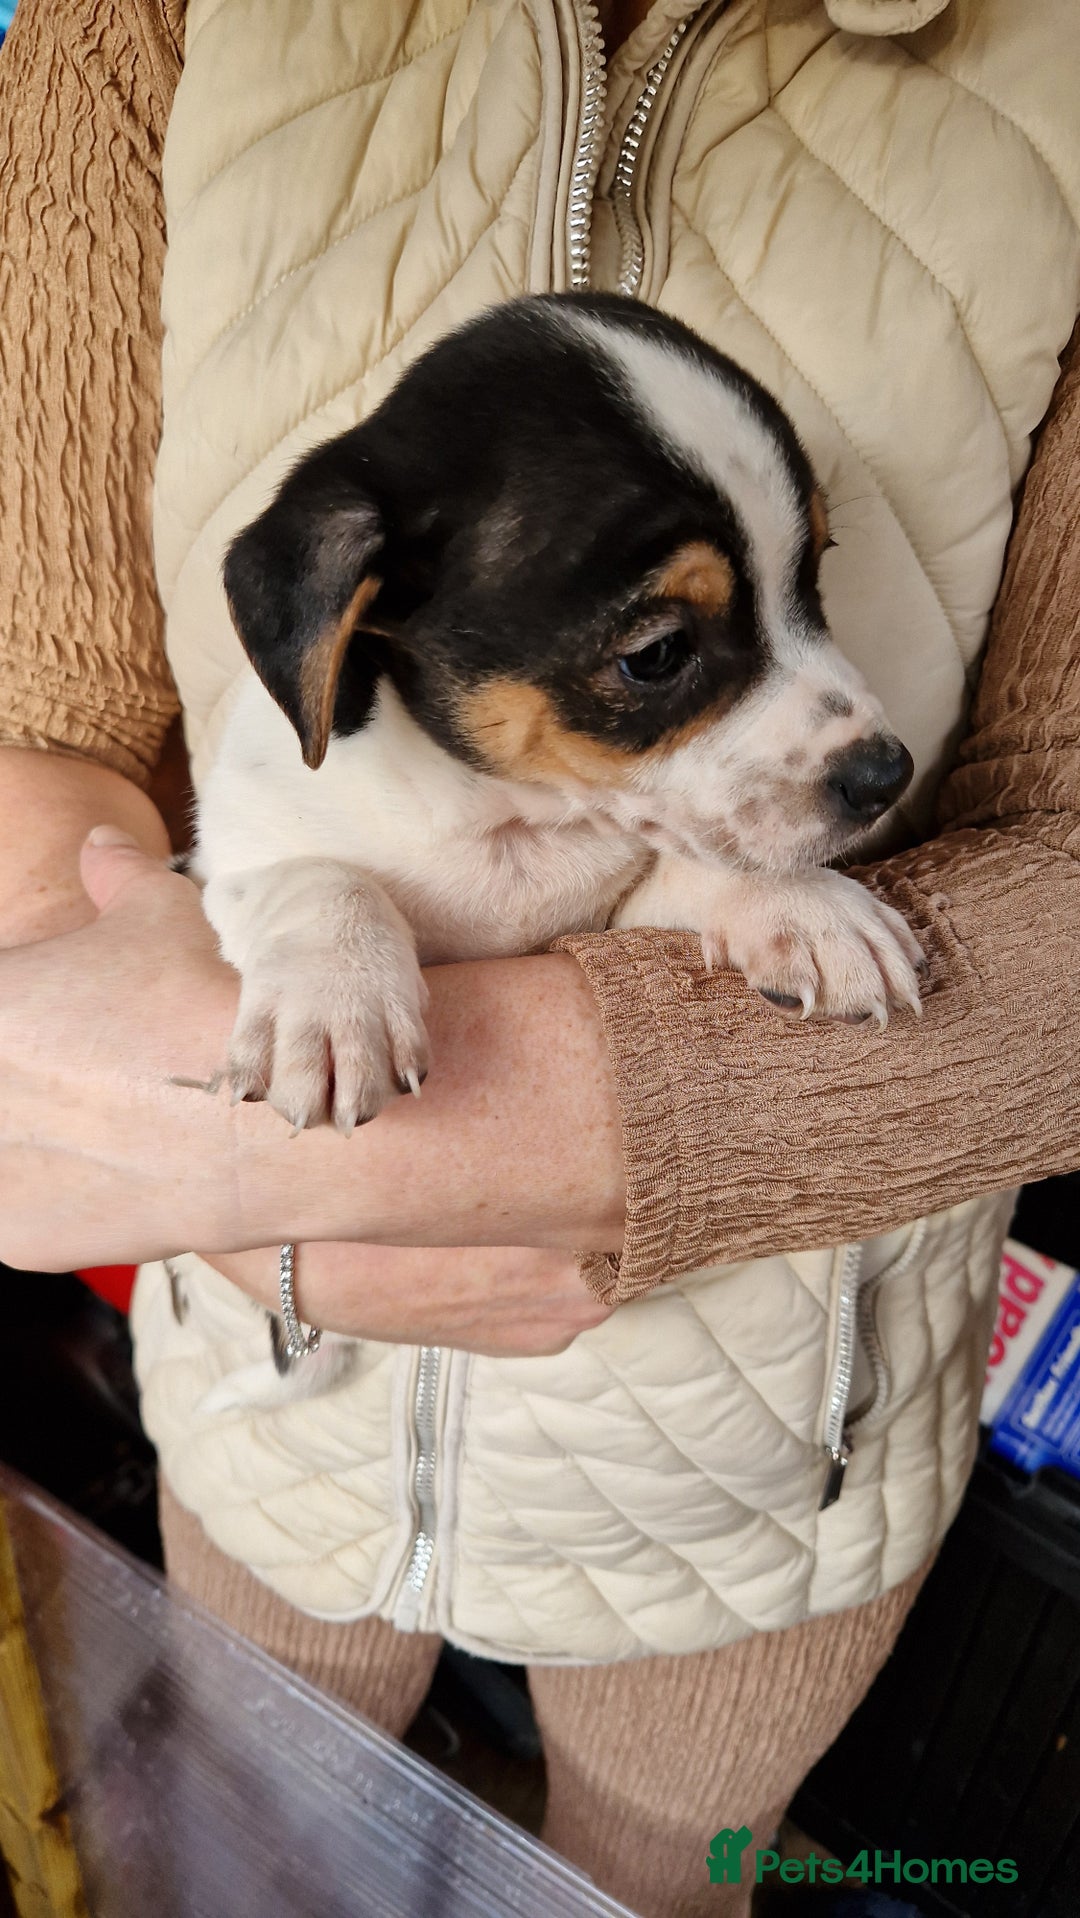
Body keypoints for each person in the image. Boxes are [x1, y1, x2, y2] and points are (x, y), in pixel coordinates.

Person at [0, 1, 1078, 1912]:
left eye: (794, 588)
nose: (834, 718)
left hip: (762, 1480)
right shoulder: (128, 30)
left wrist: (726, 907)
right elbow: (138, 793)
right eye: (670, 655)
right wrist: (262, 983)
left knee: (669, 1874)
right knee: (248, 1824)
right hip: (275, 1404)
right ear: (356, 625)